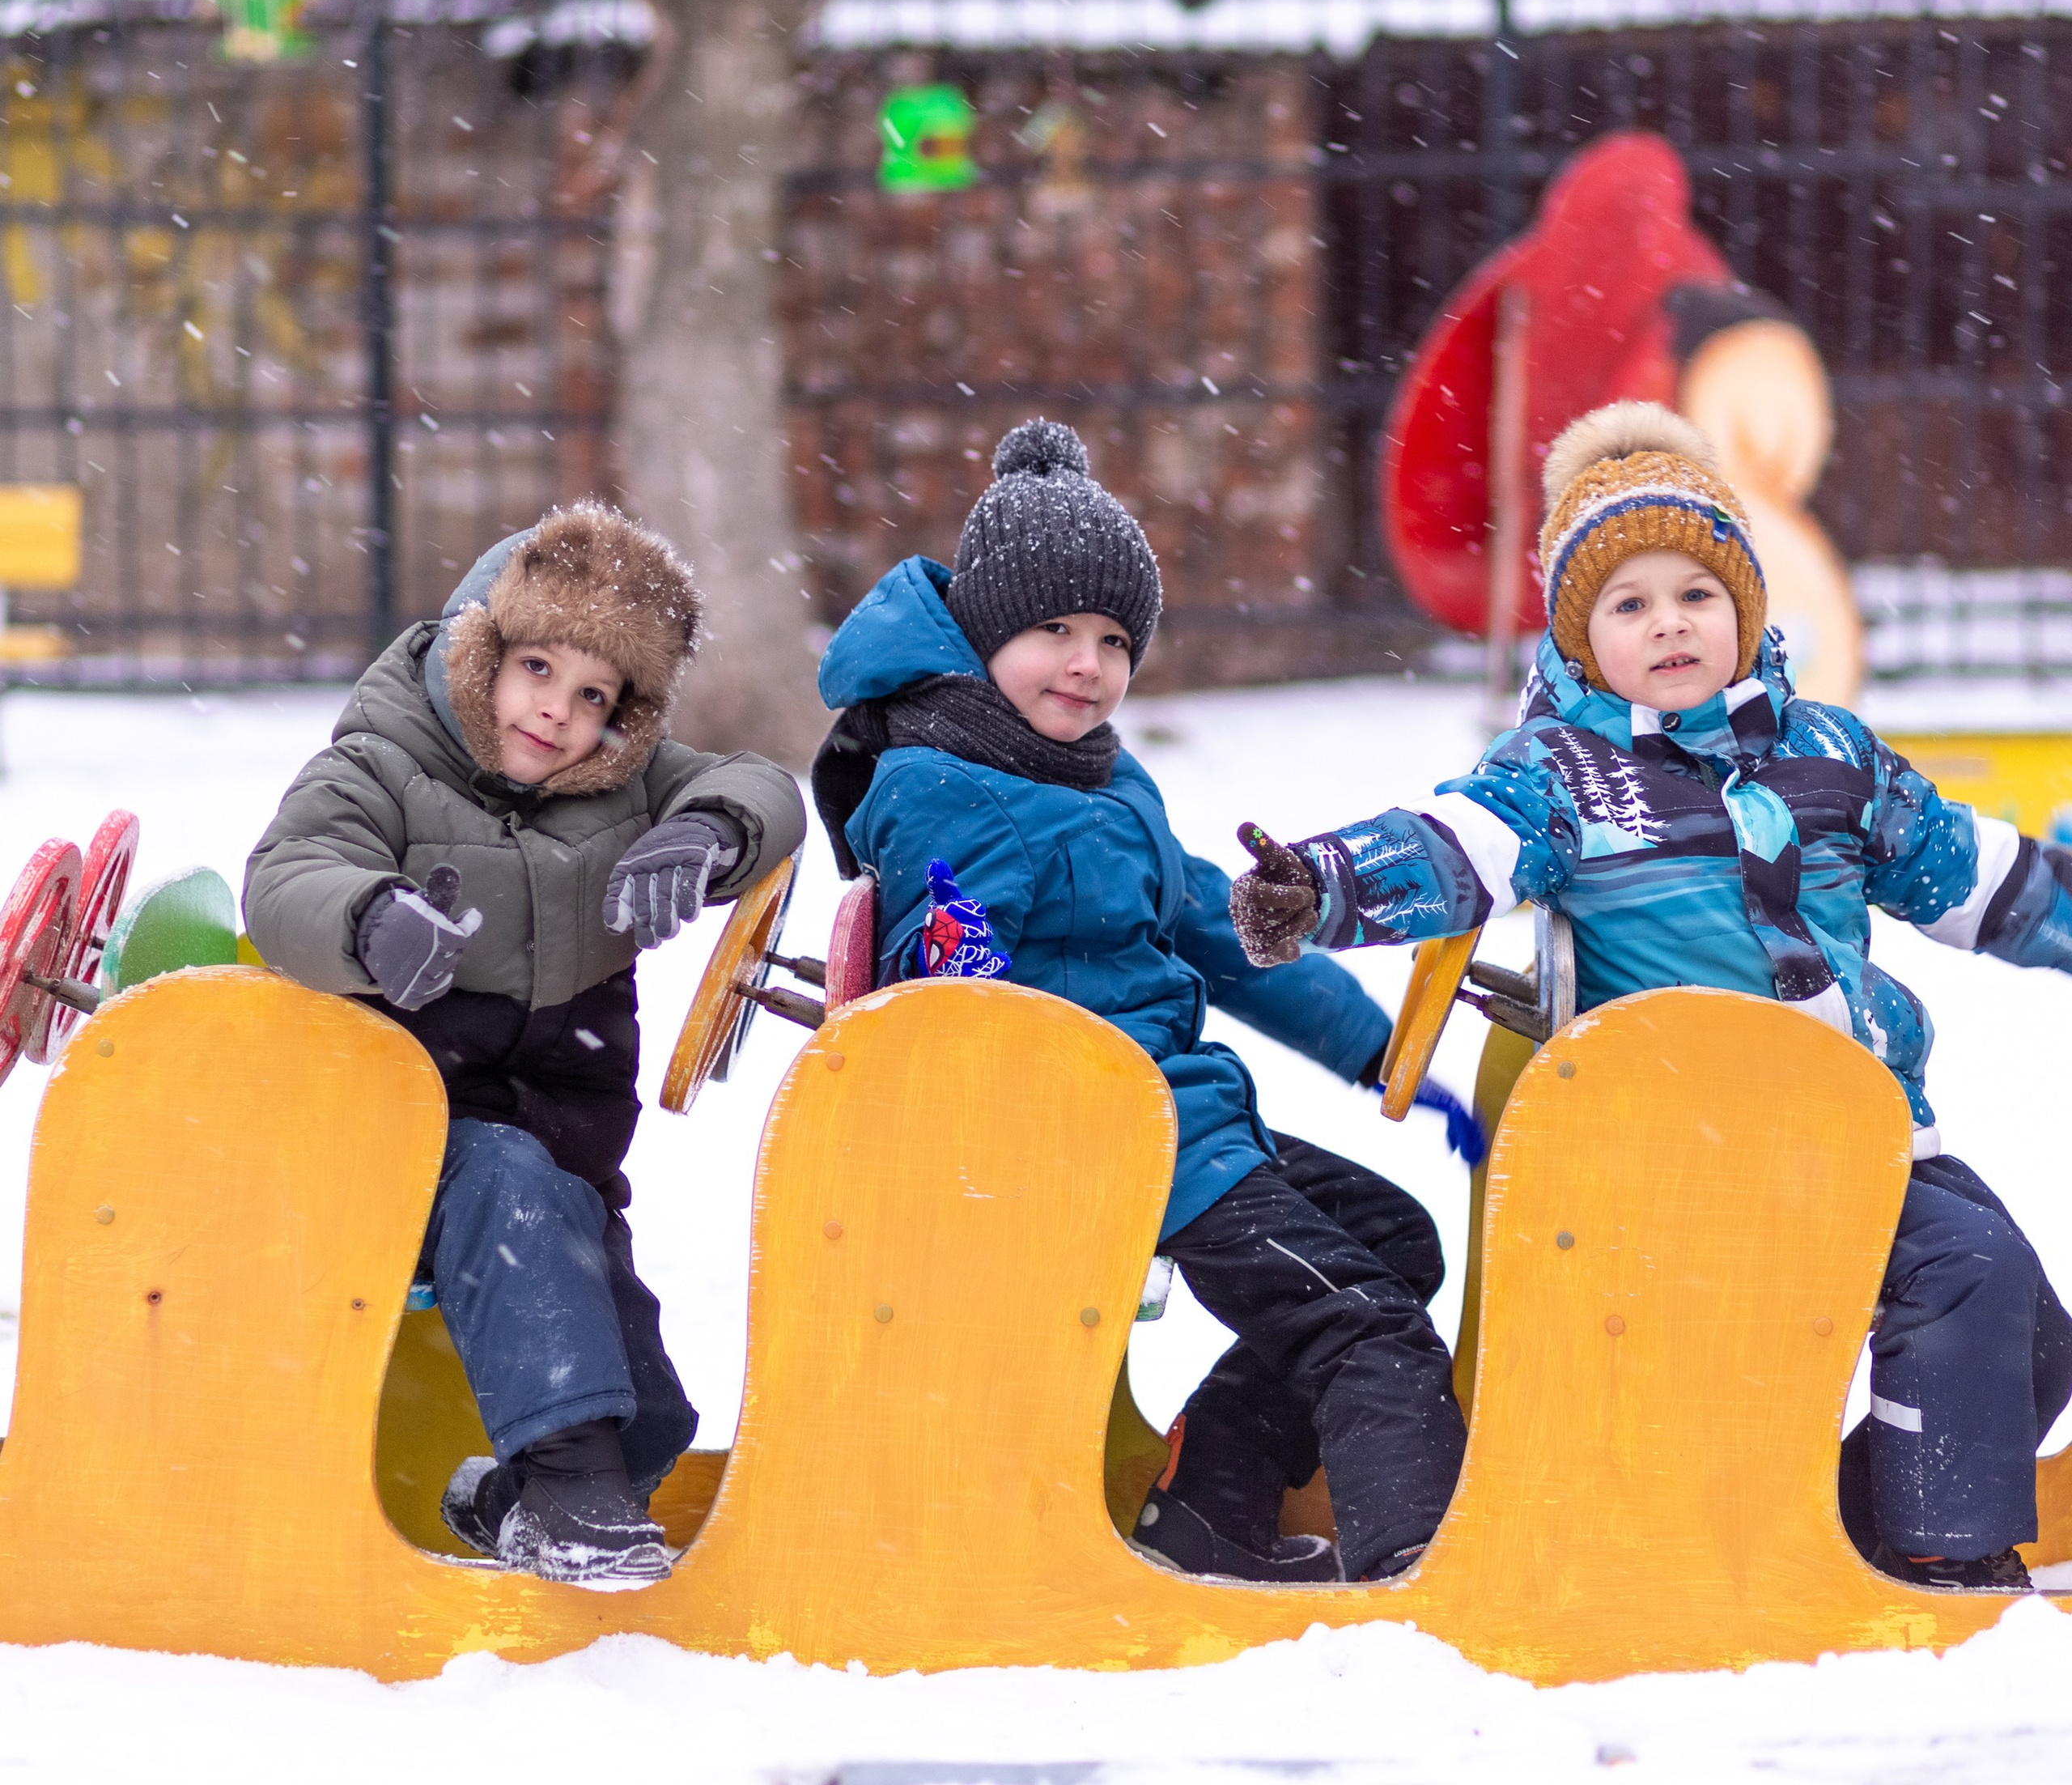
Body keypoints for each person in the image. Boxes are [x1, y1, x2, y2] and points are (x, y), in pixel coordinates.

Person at [1231, 399, 2072, 1593]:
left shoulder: (1830, 755)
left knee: (2033, 1329)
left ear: (1746, 610)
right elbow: (1448, 849)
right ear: (1584, 640)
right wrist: (1319, 886)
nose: (1670, 624)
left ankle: (1847, 1526)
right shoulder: (1561, 779)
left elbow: (1976, 879)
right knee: (1964, 1273)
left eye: (1697, 594)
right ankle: (1945, 1557)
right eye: (1630, 604)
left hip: (1865, 1117)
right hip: (1700, 1131)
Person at [811, 419, 1474, 1586]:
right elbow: (957, 995)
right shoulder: (949, 787)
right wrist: (982, 1050)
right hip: (1091, 1132)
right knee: (1361, 1319)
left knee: (1389, 1242)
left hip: (1178, 1119)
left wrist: (1377, 1048)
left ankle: (1212, 1511)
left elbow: (1209, 923)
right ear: (982, 633)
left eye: (1114, 639)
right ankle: (1421, 1573)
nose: (1087, 664)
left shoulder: (1097, 778)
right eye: (1053, 631)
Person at [244, 502, 805, 1589]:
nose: (558, 712)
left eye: (595, 696)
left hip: (565, 1175)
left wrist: (705, 829)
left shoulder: (625, 786)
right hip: (404, 1153)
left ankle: (513, 1500)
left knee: (645, 1423)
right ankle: (564, 1503)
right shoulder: (379, 765)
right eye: (538, 668)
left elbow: (764, 787)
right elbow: (285, 881)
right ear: (480, 652)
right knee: (504, 1182)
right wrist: (370, 917)